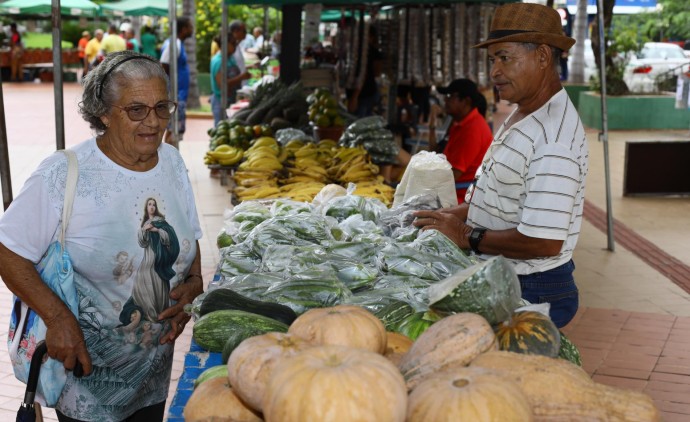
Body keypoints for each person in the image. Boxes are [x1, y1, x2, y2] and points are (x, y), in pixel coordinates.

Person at [0, 50, 204, 421]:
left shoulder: (172, 160)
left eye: (162, 107)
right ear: (104, 114)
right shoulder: (64, 174)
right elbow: (8, 251)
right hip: (88, 378)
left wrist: (195, 281)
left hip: (153, 374)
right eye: (136, 110)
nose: (153, 122)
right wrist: (59, 319)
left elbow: (191, 233)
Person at [414, 3, 588, 329]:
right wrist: (451, 216)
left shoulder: (554, 140)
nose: (494, 71)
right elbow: (501, 195)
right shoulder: (524, 112)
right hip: (506, 275)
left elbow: (544, 241)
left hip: (531, 287)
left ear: (542, 57)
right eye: (492, 59)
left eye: (504, 58)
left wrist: (466, 235)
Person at [429, 79, 493, 203]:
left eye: (450, 96)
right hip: (452, 192)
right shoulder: (461, 123)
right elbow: (435, 152)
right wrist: (432, 125)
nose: (445, 100)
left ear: (466, 101)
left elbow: (452, 176)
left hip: (460, 199)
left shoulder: (472, 129)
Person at [160, 17, 194, 143]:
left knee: (174, 130)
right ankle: (169, 161)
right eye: (190, 27)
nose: (192, 29)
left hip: (178, 95)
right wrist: (170, 92)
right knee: (173, 130)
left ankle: (170, 160)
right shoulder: (174, 44)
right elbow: (164, 64)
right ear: (184, 29)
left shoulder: (178, 43)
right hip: (175, 95)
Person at [210, 35, 251, 125]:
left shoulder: (230, 58)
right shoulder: (218, 61)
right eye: (233, 44)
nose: (235, 46)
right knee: (221, 129)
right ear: (225, 45)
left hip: (231, 100)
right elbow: (222, 85)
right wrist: (242, 77)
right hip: (221, 101)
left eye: (236, 44)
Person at [347, 24, 384, 118]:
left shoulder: (360, 52)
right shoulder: (361, 52)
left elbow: (366, 75)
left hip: (364, 93)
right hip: (366, 92)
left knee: (360, 121)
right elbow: (377, 73)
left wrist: (355, 96)